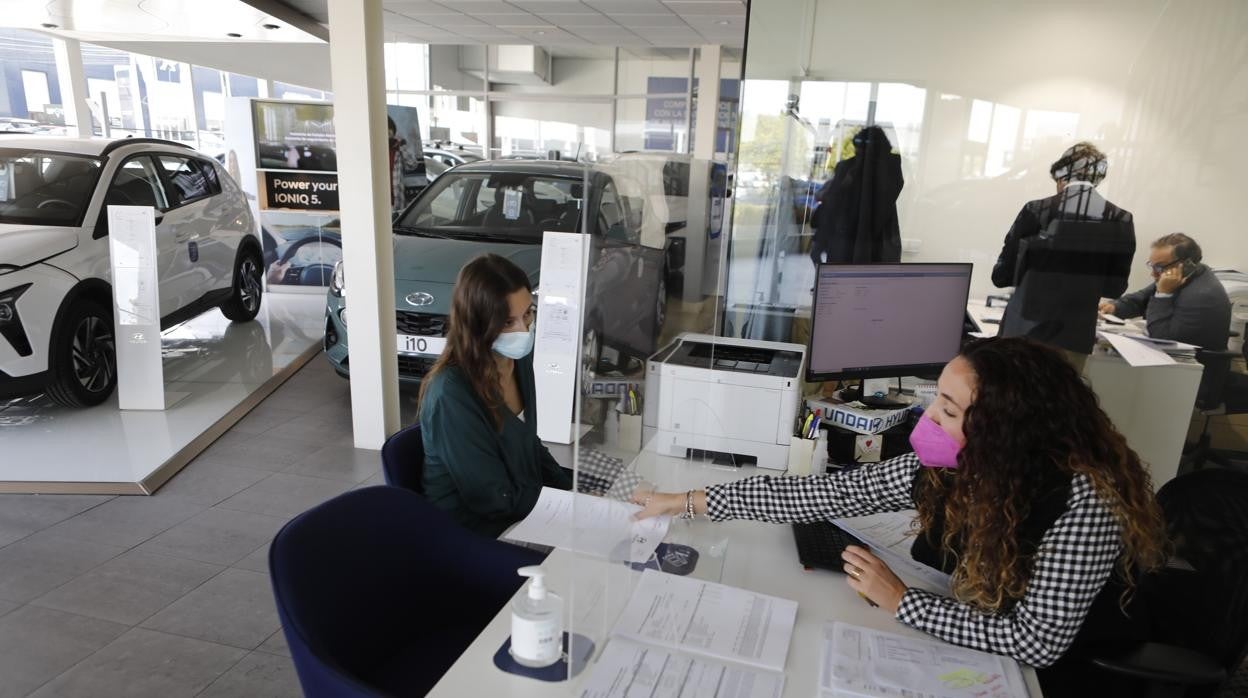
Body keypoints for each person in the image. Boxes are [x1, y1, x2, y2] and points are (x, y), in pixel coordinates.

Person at [634, 337, 1166, 694]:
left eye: (950, 411)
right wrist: (688, 502)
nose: (929, 417)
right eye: (939, 399)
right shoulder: (965, 462)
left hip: (1060, 674)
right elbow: (830, 495)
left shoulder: (1085, 505)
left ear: (1007, 432)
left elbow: (1037, 641)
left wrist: (903, 601)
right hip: (976, 616)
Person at [418, 254, 573, 537]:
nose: (524, 330)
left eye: (528, 313)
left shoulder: (517, 361)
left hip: (518, 509)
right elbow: (492, 499)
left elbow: (528, 444)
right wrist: (571, 508)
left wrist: (572, 490)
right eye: (506, 322)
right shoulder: (451, 393)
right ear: (477, 325)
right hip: (472, 534)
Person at [992, 142, 1135, 367]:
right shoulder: (1122, 219)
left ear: (1060, 176)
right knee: (1061, 400)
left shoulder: (1036, 210)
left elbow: (1001, 276)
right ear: (1098, 179)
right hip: (1074, 338)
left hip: (1021, 334)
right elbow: (1114, 288)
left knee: (1009, 397)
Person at [1099, 233, 1232, 350]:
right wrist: (1114, 307)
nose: (1153, 274)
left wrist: (1163, 295)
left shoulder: (1203, 295)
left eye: (1159, 267)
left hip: (1196, 371)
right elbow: (1141, 299)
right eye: (1152, 266)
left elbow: (1161, 337)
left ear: (1186, 265)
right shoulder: (1185, 276)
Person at [809, 125, 904, 265]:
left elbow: (833, 203)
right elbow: (833, 203)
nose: (859, 152)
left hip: (857, 239)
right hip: (863, 240)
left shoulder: (887, 167)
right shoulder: (851, 168)